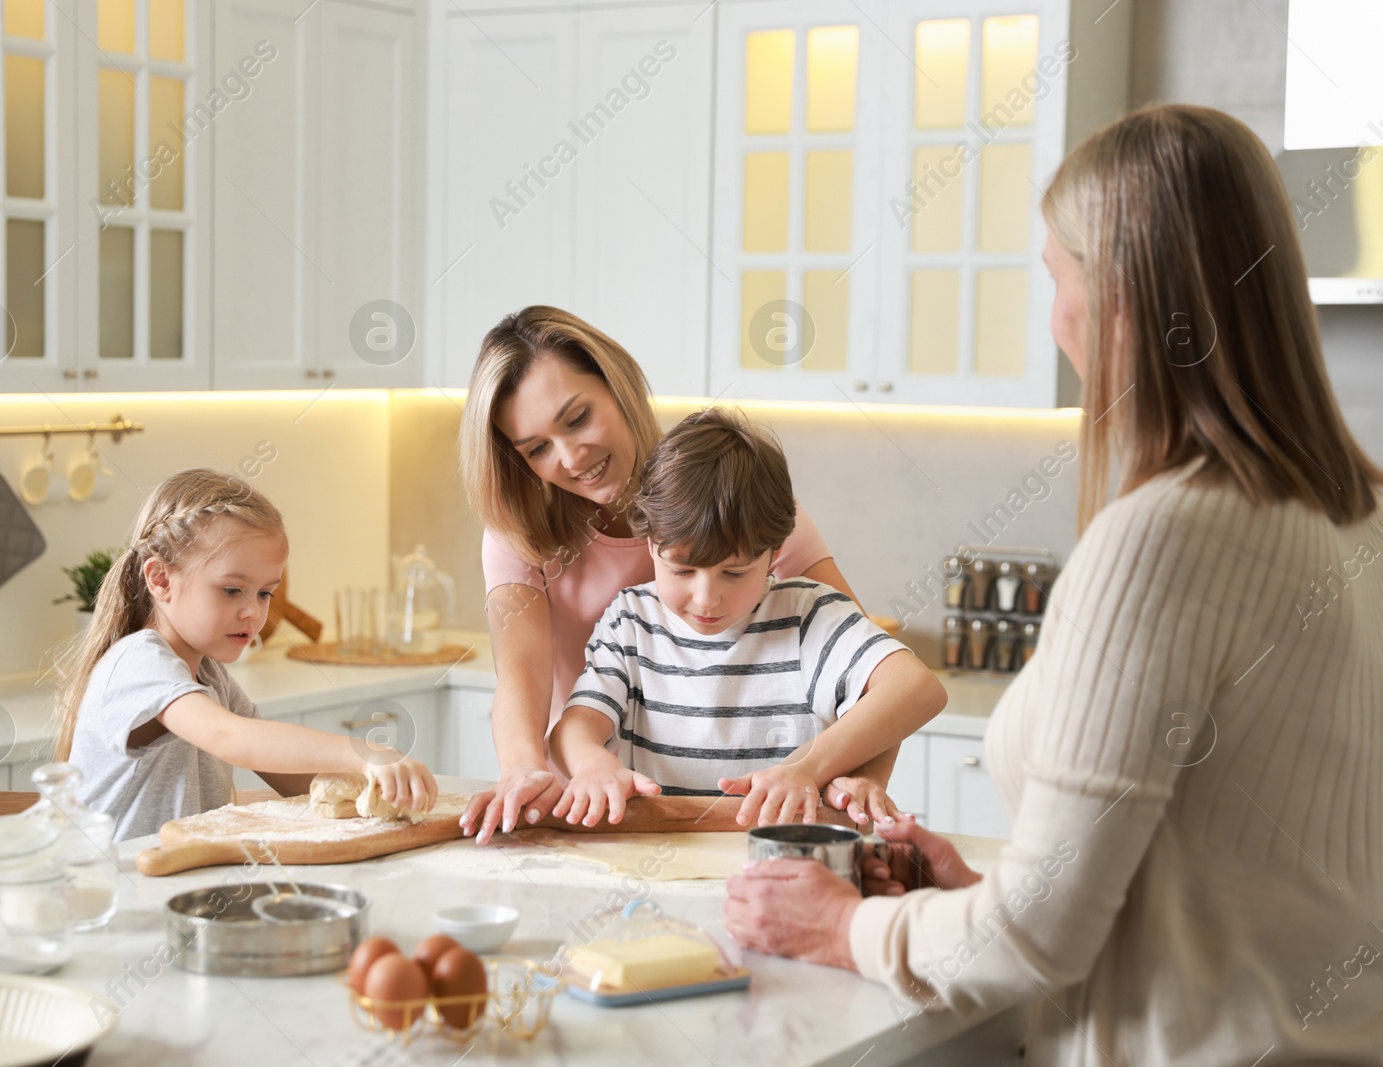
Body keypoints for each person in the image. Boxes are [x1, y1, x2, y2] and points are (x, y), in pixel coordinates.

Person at [723, 104, 1383, 1064]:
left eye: (1056, 275)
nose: (1055, 316)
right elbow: (1232, 867)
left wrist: (841, 927)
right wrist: (962, 901)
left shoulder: (1165, 538)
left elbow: (1040, 929)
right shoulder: (1359, 510)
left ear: (1121, 295)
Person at [458, 307, 902, 843]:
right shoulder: (518, 531)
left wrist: (859, 781)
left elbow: (872, 679)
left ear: (617, 386)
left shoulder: (730, 503)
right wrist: (523, 771)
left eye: (577, 419)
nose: (572, 457)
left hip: (758, 817)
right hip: (593, 803)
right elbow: (521, 675)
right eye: (537, 449)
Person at [549, 408, 947, 828]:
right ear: (650, 545)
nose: (706, 599)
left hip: (783, 863)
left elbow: (917, 689)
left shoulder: (808, 615)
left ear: (774, 553)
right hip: (660, 856)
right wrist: (592, 763)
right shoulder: (631, 621)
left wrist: (807, 768)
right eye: (682, 570)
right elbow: (575, 727)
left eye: (734, 573)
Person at [53, 469, 437, 840]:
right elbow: (231, 739)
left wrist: (374, 785)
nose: (254, 612)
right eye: (232, 590)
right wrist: (362, 753)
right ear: (160, 579)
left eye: (265, 593)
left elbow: (289, 778)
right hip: (115, 893)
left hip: (180, 885)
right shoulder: (138, 662)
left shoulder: (210, 675)